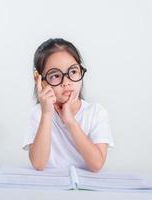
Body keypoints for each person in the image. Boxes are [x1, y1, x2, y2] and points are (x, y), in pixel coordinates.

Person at [22, 38, 114, 172]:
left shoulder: (96, 113)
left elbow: (97, 165)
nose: (66, 82)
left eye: (73, 72)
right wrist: (47, 114)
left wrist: (70, 121)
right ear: (40, 81)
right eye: (55, 76)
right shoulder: (39, 114)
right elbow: (38, 164)